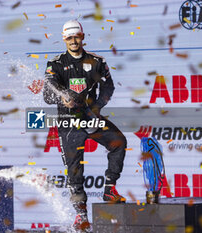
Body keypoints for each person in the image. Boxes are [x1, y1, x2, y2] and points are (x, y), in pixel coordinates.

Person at [43, 20, 127, 231]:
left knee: (119, 142)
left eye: (76, 36)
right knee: (74, 168)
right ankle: (81, 214)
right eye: (69, 37)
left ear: (83, 36)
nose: (73, 41)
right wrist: (62, 98)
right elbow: (47, 94)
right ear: (64, 39)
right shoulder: (56, 64)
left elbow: (108, 87)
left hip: (90, 117)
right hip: (68, 122)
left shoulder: (96, 61)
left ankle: (110, 189)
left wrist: (96, 108)